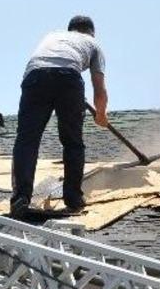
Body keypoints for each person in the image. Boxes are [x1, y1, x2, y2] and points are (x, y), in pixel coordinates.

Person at [10, 15, 109, 217]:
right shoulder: (93, 43)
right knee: (72, 141)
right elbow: (99, 89)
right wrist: (101, 114)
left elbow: (47, 65)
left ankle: (21, 197)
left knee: (27, 140)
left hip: (35, 76)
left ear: (70, 29)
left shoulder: (53, 35)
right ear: (91, 32)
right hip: (68, 78)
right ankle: (73, 198)